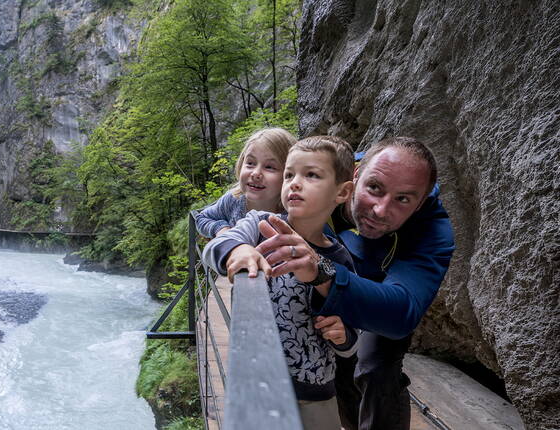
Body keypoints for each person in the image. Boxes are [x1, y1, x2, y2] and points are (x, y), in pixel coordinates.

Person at [253, 137, 455, 430]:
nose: (380, 210)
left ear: (420, 203)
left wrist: (322, 272)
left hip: (375, 299)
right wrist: (229, 238)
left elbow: (401, 313)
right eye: (374, 189)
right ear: (354, 178)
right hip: (325, 290)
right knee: (341, 366)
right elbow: (256, 191)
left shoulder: (432, 231)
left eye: (403, 199)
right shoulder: (324, 170)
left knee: (376, 366)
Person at [203, 136, 360, 429]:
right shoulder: (261, 224)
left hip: (314, 392)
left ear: (342, 192)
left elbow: (352, 337)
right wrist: (238, 249)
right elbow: (214, 247)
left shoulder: (340, 258)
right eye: (289, 174)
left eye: (311, 174)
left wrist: (344, 335)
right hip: (256, 380)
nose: (295, 183)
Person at [194, 127, 294, 238]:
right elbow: (202, 218)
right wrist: (221, 229)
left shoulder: (294, 214)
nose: (256, 173)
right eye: (250, 163)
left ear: (289, 174)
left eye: (269, 167)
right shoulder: (233, 201)